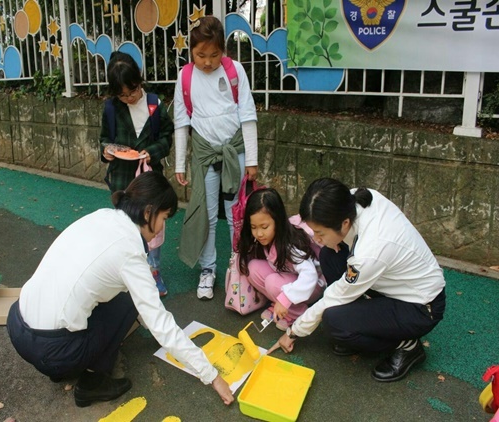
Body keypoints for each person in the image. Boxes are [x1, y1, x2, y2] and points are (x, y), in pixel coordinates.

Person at [6, 172, 234, 407]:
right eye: (164, 217)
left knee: (108, 295)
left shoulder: (103, 216)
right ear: (148, 212)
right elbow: (158, 320)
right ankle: (92, 383)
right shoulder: (129, 252)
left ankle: (60, 367)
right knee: (127, 303)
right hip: (51, 350)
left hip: (17, 324)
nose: (163, 227)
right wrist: (213, 376)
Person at [275, 177, 446, 382]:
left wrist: (293, 331)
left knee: (334, 321)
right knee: (329, 255)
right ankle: (360, 323)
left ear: (344, 223)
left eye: (320, 233)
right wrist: (334, 242)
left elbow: (332, 298)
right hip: (391, 281)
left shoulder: (368, 253)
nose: (315, 239)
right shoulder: (353, 199)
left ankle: (407, 346)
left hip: (421, 306)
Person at [173, 16, 259, 300]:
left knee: (237, 213)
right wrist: (180, 164)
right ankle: (208, 269)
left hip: (235, 151)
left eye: (214, 54)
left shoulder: (235, 71)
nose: (207, 61)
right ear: (191, 52)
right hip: (204, 153)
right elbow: (181, 121)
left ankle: (239, 266)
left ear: (223, 50)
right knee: (207, 214)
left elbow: (247, 115)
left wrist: (252, 160)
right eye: (200, 55)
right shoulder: (186, 76)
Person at [99, 51, 173, 296]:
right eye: (122, 95)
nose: (128, 98)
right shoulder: (111, 108)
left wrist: (151, 152)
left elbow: (166, 138)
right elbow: (104, 140)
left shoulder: (154, 104)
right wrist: (107, 151)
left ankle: (153, 271)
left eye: (131, 92)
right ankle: (128, 277)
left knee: (153, 226)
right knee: (125, 228)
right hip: (122, 180)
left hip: (150, 180)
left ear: (139, 82)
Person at [237, 188, 326, 331]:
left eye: (264, 227)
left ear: (277, 221)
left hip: (311, 286)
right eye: (254, 227)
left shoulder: (290, 244)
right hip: (289, 277)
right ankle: (282, 305)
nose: (259, 233)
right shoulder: (268, 239)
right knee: (252, 268)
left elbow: (310, 276)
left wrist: (285, 299)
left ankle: (296, 312)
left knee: (272, 282)